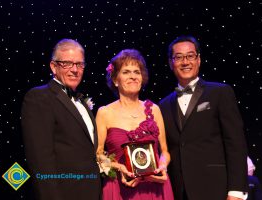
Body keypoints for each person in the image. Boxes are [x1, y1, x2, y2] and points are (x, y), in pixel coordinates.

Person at [159, 35, 248, 200]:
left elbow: (236, 144)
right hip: (180, 192)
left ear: (199, 59)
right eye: (178, 57)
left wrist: (236, 191)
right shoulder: (162, 105)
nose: (185, 62)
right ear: (171, 63)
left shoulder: (220, 92)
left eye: (190, 56)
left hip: (217, 188)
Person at [21, 39, 101, 200]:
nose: (75, 70)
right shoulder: (39, 97)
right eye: (67, 64)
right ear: (53, 67)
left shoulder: (82, 103)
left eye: (79, 64)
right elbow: (40, 161)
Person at [96, 49, 174, 199]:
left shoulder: (154, 109)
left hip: (155, 187)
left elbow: (165, 151)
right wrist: (119, 167)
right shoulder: (104, 113)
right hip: (119, 187)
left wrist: (162, 166)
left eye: (136, 72)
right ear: (115, 79)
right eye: (126, 72)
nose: (133, 76)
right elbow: (98, 154)